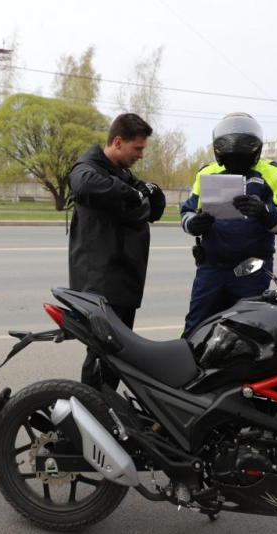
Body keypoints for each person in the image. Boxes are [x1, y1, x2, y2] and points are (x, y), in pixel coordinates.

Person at [180, 112, 277, 338]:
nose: (235, 162)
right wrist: (195, 224)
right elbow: (186, 213)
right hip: (211, 267)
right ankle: (188, 360)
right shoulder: (206, 173)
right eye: (230, 158)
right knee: (197, 327)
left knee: (249, 331)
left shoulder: (274, 173)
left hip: (252, 269)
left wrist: (265, 212)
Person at [67, 113, 166, 390]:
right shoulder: (88, 167)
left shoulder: (121, 173)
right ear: (119, 142)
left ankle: (105, 404)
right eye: (138, 148)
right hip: (101, 284)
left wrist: (147, 191)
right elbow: (83, 184)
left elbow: (154, 208)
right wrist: (131, 194)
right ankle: (93, 407)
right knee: (101, 356)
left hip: (123, 281)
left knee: (118, 355)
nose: (141, 155)